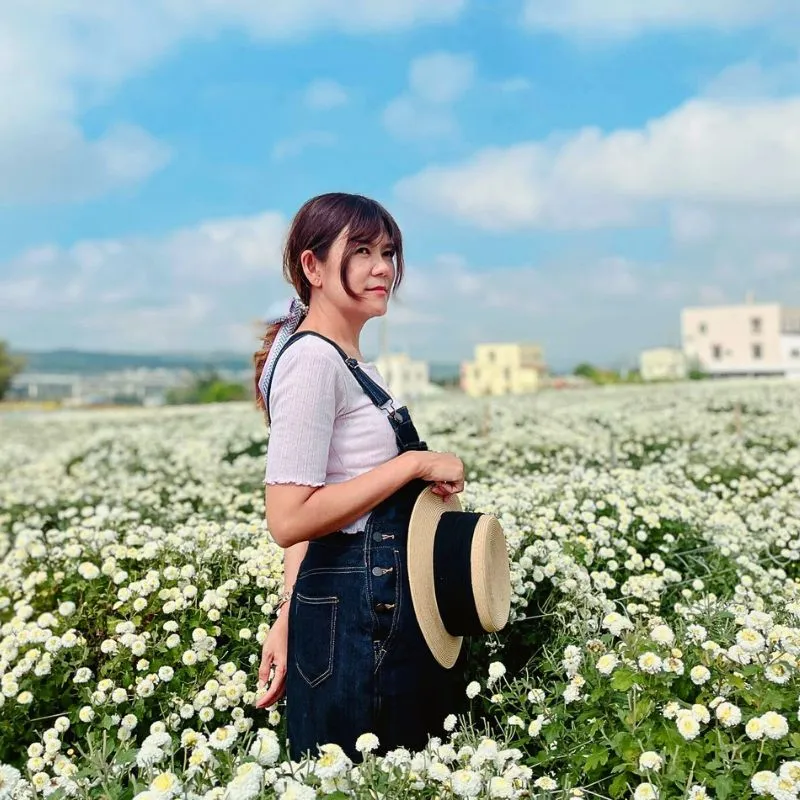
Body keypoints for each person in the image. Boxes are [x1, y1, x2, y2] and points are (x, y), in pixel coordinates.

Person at [251, 192, 469, 763]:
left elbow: (315, 517)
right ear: (313, 266)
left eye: (390, 252)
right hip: (355, 610)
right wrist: (413, 465)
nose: (383, 268)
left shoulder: (347, 362)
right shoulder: (313, 362)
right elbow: (290, 517)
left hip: (368, 602)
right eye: (363, 250)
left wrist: (287, 614)